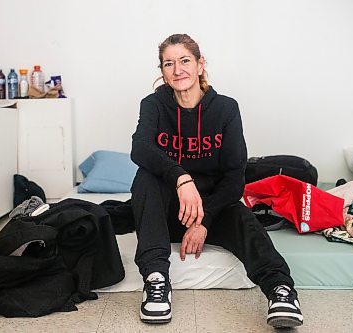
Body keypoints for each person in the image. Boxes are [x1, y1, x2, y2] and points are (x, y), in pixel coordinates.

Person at [130, 33, 304, 328]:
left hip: (212, 209)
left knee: (242, 216)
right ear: (162, 71)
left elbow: (235, 177)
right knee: (145, 178)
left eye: (185, 60)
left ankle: (281, 290)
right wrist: (181, 177)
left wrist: (204, 220)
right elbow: (140, 147)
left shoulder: (225, 108)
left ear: (200, 64)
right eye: (168, 64)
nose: (177, 69)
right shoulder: (153, 105)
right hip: (166, 211)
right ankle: (157, 281)